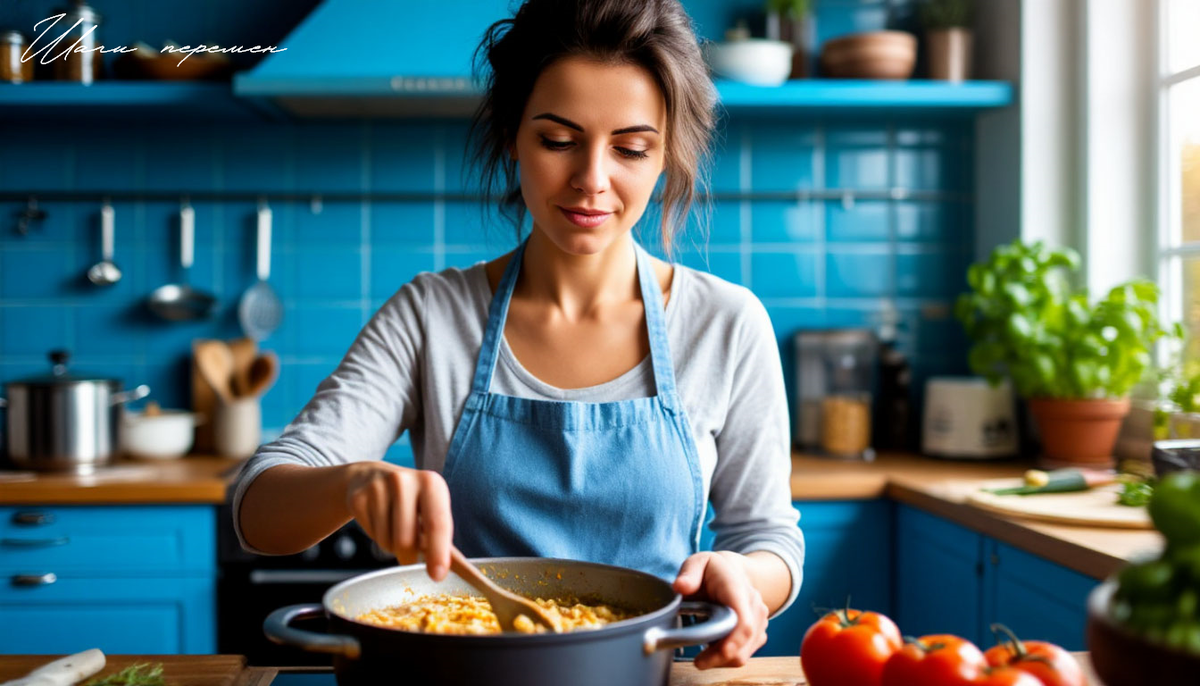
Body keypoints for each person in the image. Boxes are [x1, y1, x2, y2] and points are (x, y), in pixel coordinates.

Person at [233, 0, 803, 669]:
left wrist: (745, 578)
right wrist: (352, 484)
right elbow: (258, 508)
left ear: (665, 157)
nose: (592, 179)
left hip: (650, 673)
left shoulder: (727, 323)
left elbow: (769, 539)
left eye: (631, 148)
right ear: (512, 134)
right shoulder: (431, 317)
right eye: (558, 140)